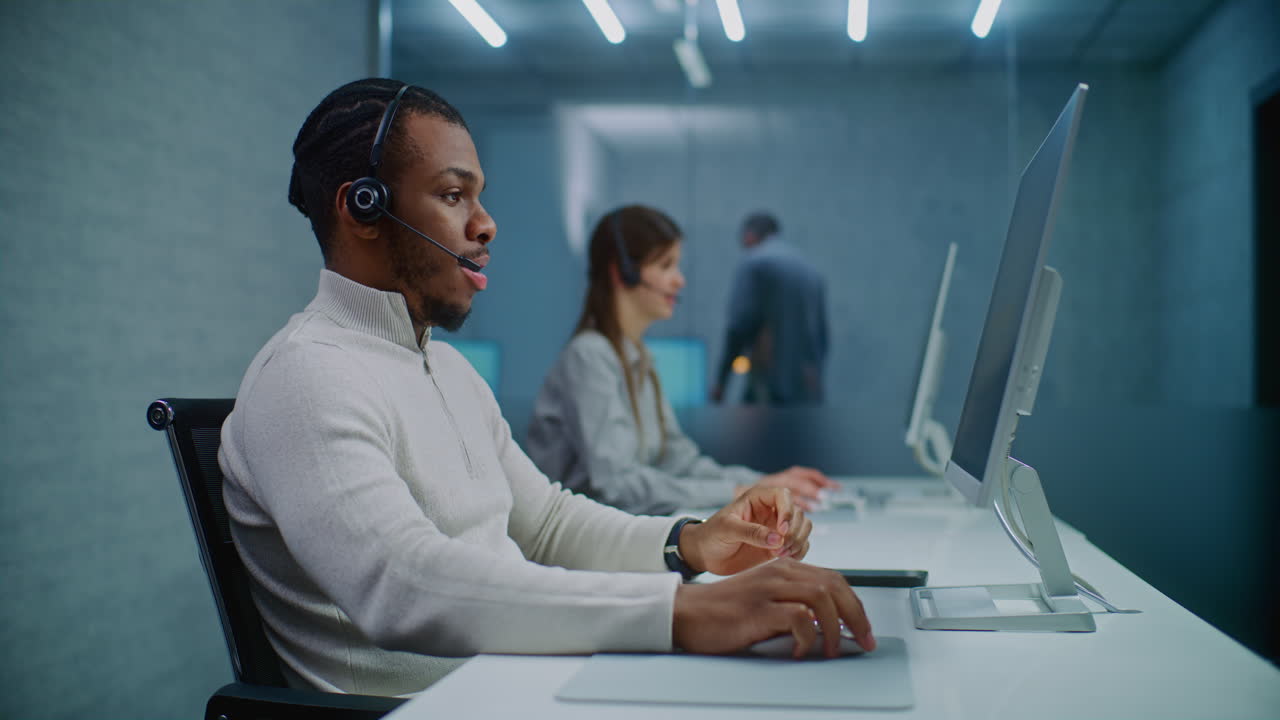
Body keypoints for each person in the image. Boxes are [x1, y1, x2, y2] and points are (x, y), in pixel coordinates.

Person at [217, 79, 875, 697]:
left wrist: (690, 543)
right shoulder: (306, 376)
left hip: (515, 684)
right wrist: (681, 611)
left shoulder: (446, 368)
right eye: (453, 195)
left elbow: (548, 524)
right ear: (363, 209)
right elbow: (403, 586)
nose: (486, 224)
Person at [526, 205, 838, 515]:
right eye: (666, 266)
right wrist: (737, 492)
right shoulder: (589, 356)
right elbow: (617, 485)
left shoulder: (639, 359)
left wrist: (761, 483)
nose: (679, 281)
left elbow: (678, 461)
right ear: (622, 272)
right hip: (581, 538)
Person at [711, 212, 829, 406]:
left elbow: (738, 324)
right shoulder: (809, 268)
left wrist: (721, 382)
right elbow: (822, 334)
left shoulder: (754, 263)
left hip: (767, 383)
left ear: (749, 236)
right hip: (807, 385)